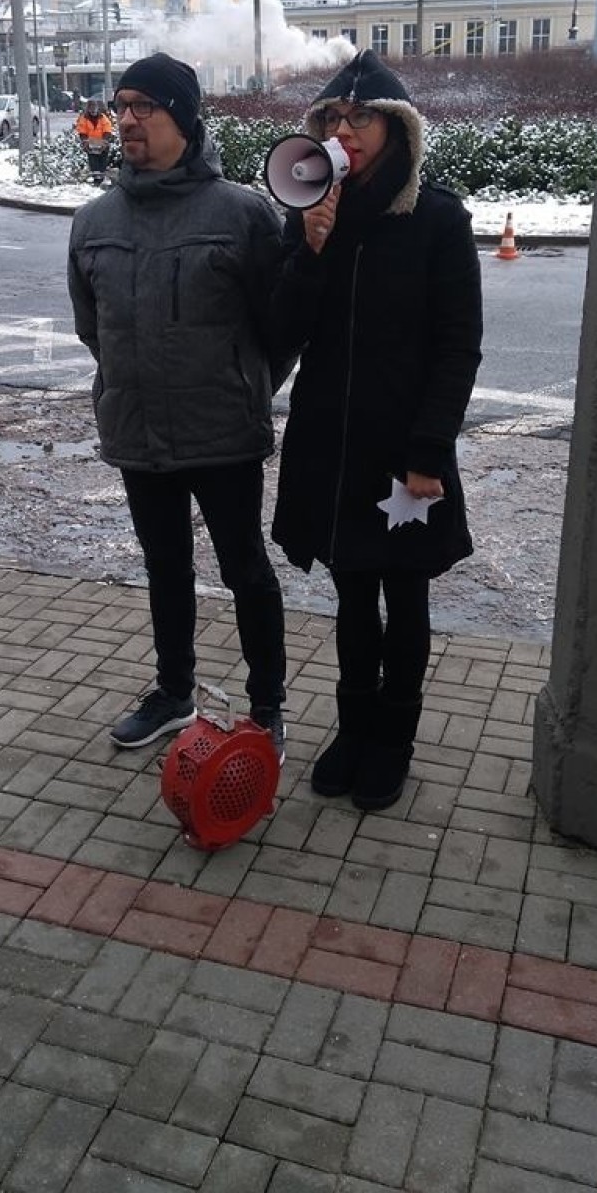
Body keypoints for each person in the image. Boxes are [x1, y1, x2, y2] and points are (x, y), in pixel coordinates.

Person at [270, 49, 483, 810]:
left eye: (360, 117)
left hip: (403, 455)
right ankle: (353, 728)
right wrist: (311, 249)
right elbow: (283, 330)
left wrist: (429, 450)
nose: (343, 129)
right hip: (331, 447)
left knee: (406, 598)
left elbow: (459, 345)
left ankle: (394, 738)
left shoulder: (436, 218)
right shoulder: (313, 215)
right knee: (352, 597)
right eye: (332, 116)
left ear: (396, 129)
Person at [67, 52, 287, 757]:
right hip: (138, 429)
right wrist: (128, 384)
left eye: (143, 107)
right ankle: (174, 691)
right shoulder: (94, 221)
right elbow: (91, 327)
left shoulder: (245, 215)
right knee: (164, 565)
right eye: (121, 104)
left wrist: (242, 386)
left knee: (245, 567)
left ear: (184, 120)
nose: (125, 119)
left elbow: (279, 330)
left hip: (222, 429)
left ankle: (267, 707)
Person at [75, 97, 114, 185]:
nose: (93, 111)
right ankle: (97, 179)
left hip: (102, 143)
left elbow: (107, 129)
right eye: (91, 109)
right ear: (88, 109)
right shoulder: (84, 119)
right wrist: (85, 142)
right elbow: (82, 131)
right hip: (90, 144)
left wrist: (105, 141)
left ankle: (101, 178)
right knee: (93, 162)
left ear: (97, 109)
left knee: (102, 161)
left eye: (94, 109)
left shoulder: (103, 118)